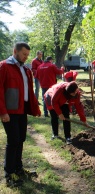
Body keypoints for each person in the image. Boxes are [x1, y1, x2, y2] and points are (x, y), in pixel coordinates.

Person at [0, 42, 41, 187]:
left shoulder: (25, 69)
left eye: (27, 55)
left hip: (22, 110)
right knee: (13, 141)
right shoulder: (4, 66)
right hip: (9, 112)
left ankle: (18, 169)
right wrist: (3, 111)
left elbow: (29, 91)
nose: (25, 57)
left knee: (21, 139)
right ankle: (9, 174)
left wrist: (35, 108)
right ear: (15, 51)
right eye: (24, 54)